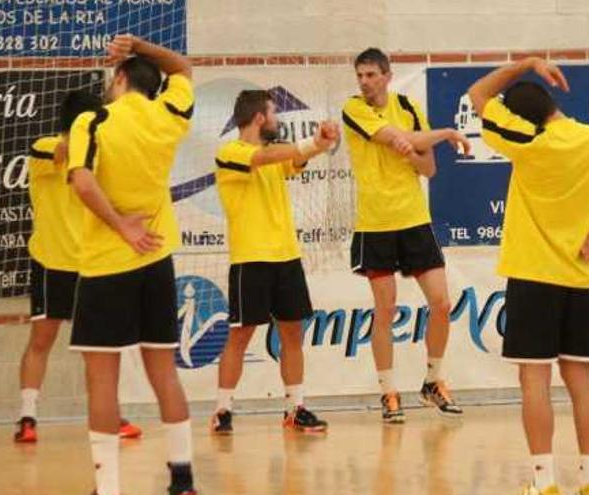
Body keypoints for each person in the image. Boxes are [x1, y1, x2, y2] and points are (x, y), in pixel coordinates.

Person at [468, 56, 589, 495]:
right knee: (581, 381)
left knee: (534, 379)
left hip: (534, 278)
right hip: (581, 280)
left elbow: (477, 95)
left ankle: (544, 481)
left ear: (518, 116)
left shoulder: (528, 140)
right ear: (553, 103)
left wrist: (525, 63)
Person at [67, 34, 197, 495]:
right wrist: (142, 45)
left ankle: (109, 488)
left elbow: (82, 181)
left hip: (107, 264)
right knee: (164, 370)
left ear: (120, 78)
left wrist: (121, 225)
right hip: (157, 258)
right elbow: (181, 67)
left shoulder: (94, 119)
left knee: (102, 378)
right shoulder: (168, 116)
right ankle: (183, 480)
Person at [341, 47, 470, 423]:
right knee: (386, 309)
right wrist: (438, 133)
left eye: (370, 75)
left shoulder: (409, 107)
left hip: (414, 220)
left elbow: (428, 167)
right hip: (376, 224)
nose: (364, 82)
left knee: (442, 303)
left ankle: (433, 381)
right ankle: (388, 392)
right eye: (360, 75)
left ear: (386, 75)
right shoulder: (354, 108)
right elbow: (387, 135)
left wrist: (410, 147)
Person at [16, 90, 142, 443]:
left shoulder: (98, 159)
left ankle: (109, 417)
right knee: (42, 339)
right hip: (50, 261)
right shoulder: (46, 147)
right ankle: (27, 417)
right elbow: (63, 152)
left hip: (90, 264)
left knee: (97, 348)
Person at [211, 89, 339, 434]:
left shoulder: (273, 154)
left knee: (292, 333)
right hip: (250, 258)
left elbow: (294, 160)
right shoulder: (231, 152)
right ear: (259, 118)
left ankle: (295, 408)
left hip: (286, 257)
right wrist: (309, 142)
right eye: (273, 113)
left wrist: (322, 142)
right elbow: (264, 159)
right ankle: (223, 410)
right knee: (240, 335)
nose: (278, 120)